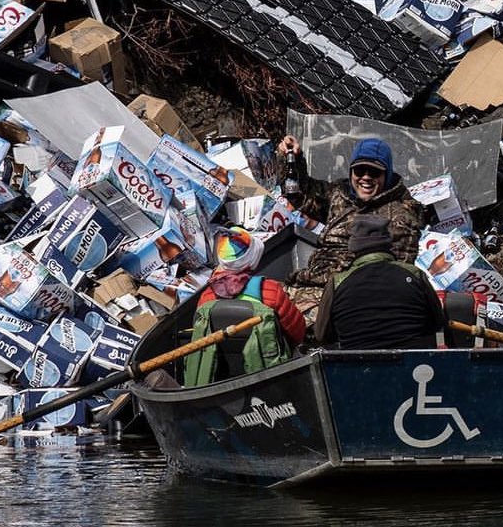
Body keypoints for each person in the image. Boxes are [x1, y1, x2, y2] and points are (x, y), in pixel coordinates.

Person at [277, 135, 426, 293]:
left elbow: (395, 275)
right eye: (360, 170)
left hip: (347, 292)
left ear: (387, 175)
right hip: (308, 280)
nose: (366, 177)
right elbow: (298, 193)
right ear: (351, 172)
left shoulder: (400, 216)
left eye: (375, 172)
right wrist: (292, 158)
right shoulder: (341, 195)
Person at [184, 227, 306, 386]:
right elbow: (298, 333)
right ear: (252, 259)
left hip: (223, 376)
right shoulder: (270, 291)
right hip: (268, 373)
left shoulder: (206, 298)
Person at [313, 215, 446, 350]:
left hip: (357, 365)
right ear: (388, 243)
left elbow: (321, 335)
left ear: (353, 248)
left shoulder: (337, 283)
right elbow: (437, 322)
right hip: (414, 365)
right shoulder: (414, 274)